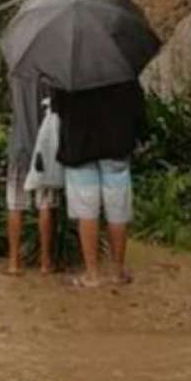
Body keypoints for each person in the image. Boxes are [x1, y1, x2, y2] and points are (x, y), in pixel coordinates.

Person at [54, 79, 146, 288]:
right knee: (118, 208)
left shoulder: (68, 72)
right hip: (116, 146)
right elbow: (138, 107)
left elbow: (58, 109)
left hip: (80, 148)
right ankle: (117, 272)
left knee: (86, 210)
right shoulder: (121, 68)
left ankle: (92, 274)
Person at [6, 73, 60, 276]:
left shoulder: (15, 75)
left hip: (18, 146)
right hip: (43, 147)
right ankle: (45, 262)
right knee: (45, 203)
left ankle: (13, 262)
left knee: (15, 204)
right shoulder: (50, 75)